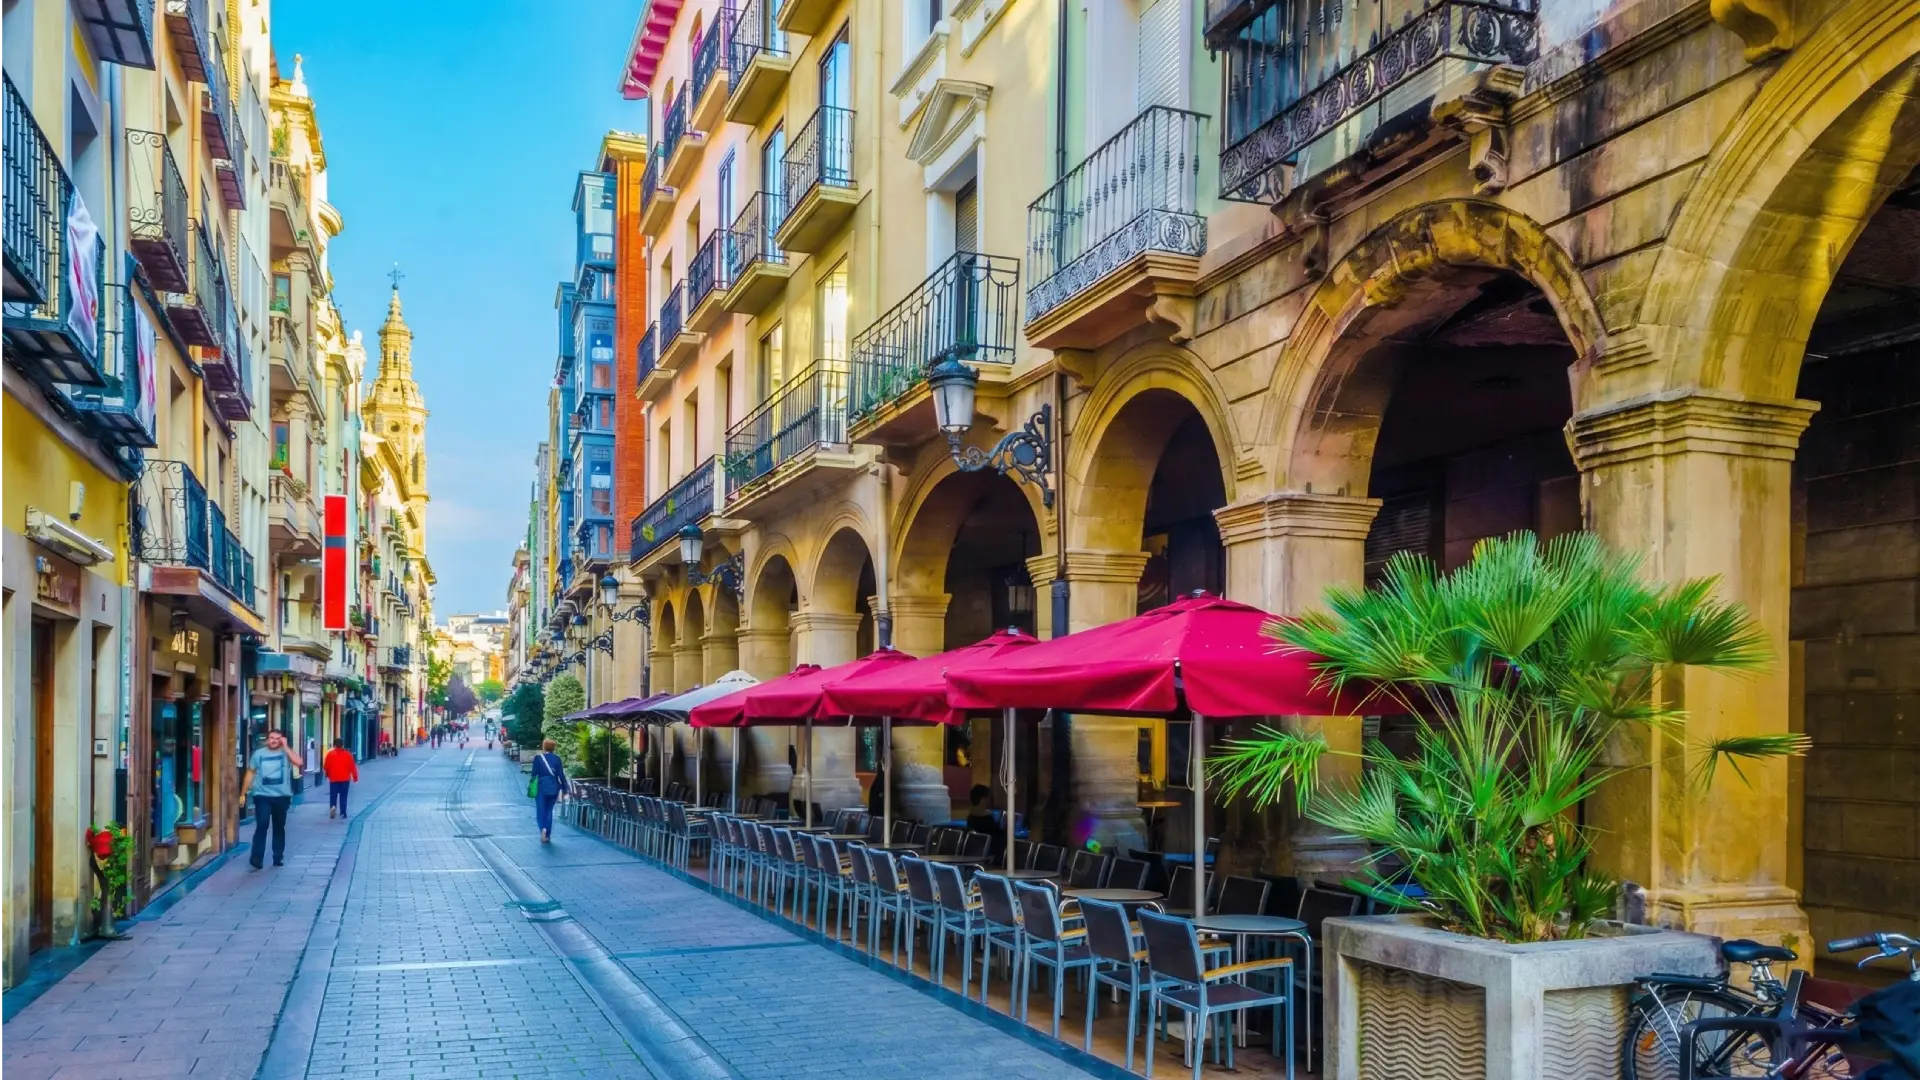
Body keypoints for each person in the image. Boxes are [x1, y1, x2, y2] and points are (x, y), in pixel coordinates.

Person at [241, 730, 302, 869]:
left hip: (282, 797)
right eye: (271, 738)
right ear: (267, 739)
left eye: (277, 738)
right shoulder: (258, 754)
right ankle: (257, 858)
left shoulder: (286, 753)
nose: (274, 740)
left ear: (281, 740)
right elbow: (250, 773)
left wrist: (286, 746)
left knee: (279, 827)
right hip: (262, 796)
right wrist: (243, 793)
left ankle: (277, 856)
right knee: (262, 825)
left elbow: (299, 762)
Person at [530, 738, 569, 843]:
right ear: (553, 748)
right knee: (549, 811)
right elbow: (561, 775)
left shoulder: (538, 759)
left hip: (541, 788)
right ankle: (547, 834)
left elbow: (533, 774)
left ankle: (542, 828)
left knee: (540, 810)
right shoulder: (557, 759)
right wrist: (565, 789)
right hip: (553, 788)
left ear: (544, 747)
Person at [323, 738, 359, 819]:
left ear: (334, 745)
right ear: (342, 745)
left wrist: (327, 774)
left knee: (333, 795)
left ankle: (333, 807)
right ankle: (343, 812)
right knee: (343, 796)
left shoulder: (330, 754)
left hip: (334, 779)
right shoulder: (348, 754)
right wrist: (355, 777)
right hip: (345, 779)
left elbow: (326, 766)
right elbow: (352, 767)